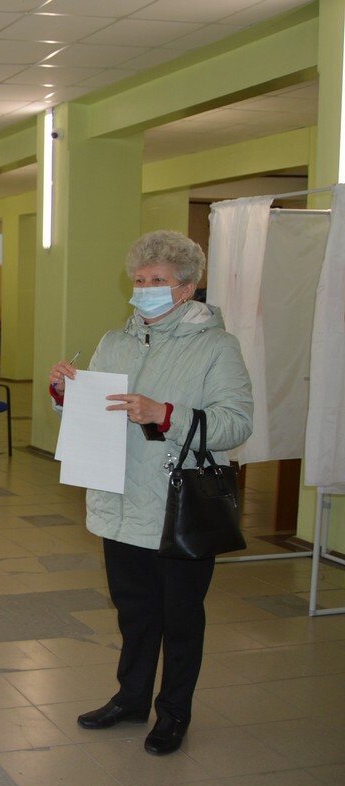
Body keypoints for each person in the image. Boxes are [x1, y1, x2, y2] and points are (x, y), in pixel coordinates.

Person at [48, 230, 252, 756]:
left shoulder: (217, 347)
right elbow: (95, 415)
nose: (144, 289)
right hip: (120, 501)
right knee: (134, 612)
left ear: (185, 288)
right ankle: (131, 698)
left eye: (156, 280)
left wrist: (165, 414)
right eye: (139, 280)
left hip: (177, 506)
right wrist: (66, 393)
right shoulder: (115, 341)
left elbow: (235, 424)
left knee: (181, 618)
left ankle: (174, 712)